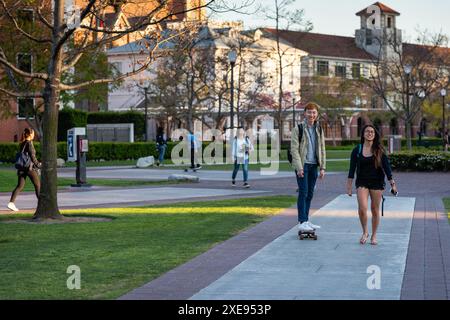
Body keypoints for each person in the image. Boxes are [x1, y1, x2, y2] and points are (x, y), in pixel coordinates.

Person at [346, 124, 398, 246]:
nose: (370, 133)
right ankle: (365, 232)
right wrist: (349, 187)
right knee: (362, 208)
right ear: (363, 134)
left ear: (375, 135)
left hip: (377, 182)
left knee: (375, 210)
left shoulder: (379, 150)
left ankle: (374, 235)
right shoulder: (357, 150)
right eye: (367, 131)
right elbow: (351, 169)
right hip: (362, 182)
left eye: (372, 132)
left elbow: (387, 168)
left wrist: (393, 184)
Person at [290, 102, 326, 233]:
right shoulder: (298, 129)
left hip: (313, 166)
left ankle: (306, 220)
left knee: (310, 193)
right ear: (304, 113)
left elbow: (322, 148)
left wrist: (323, 167)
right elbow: (294, 150)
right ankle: (301, 221)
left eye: (314, 112)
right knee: (303, 192)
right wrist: (299, 167)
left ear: (317, 114)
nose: (312, 114)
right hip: (303, 165)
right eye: (309, 112)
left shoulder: (319, 129)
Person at [7, 128, 41, 212]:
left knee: (20, 186)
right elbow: (33, 157)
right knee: (37, 185)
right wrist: (38, 165)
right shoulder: (29, 143)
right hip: (29, 168)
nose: (34, 135)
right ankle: (41, 204)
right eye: (33, 133)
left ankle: (11, 203)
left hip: (22, 168)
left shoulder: (22, 143)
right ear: (30, 134)